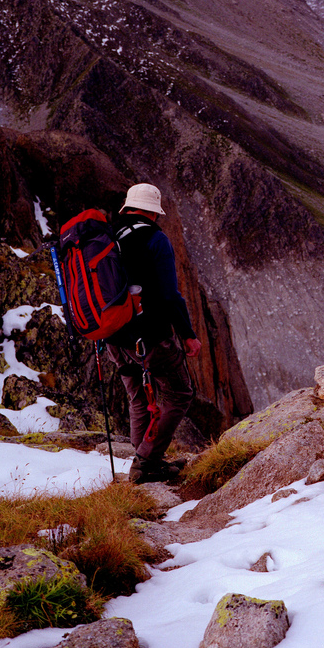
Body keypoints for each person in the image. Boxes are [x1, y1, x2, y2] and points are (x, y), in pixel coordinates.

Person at [105, 182, 200, 483]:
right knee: (179, 393)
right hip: (149, 337)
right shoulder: (154, 238)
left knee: (137, 396)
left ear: (129, 207)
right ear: (154, 213)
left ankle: (143, 458)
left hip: (113, 336)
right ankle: (146, 462)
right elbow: (169, 295)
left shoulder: (108, 234)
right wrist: (188, 334)